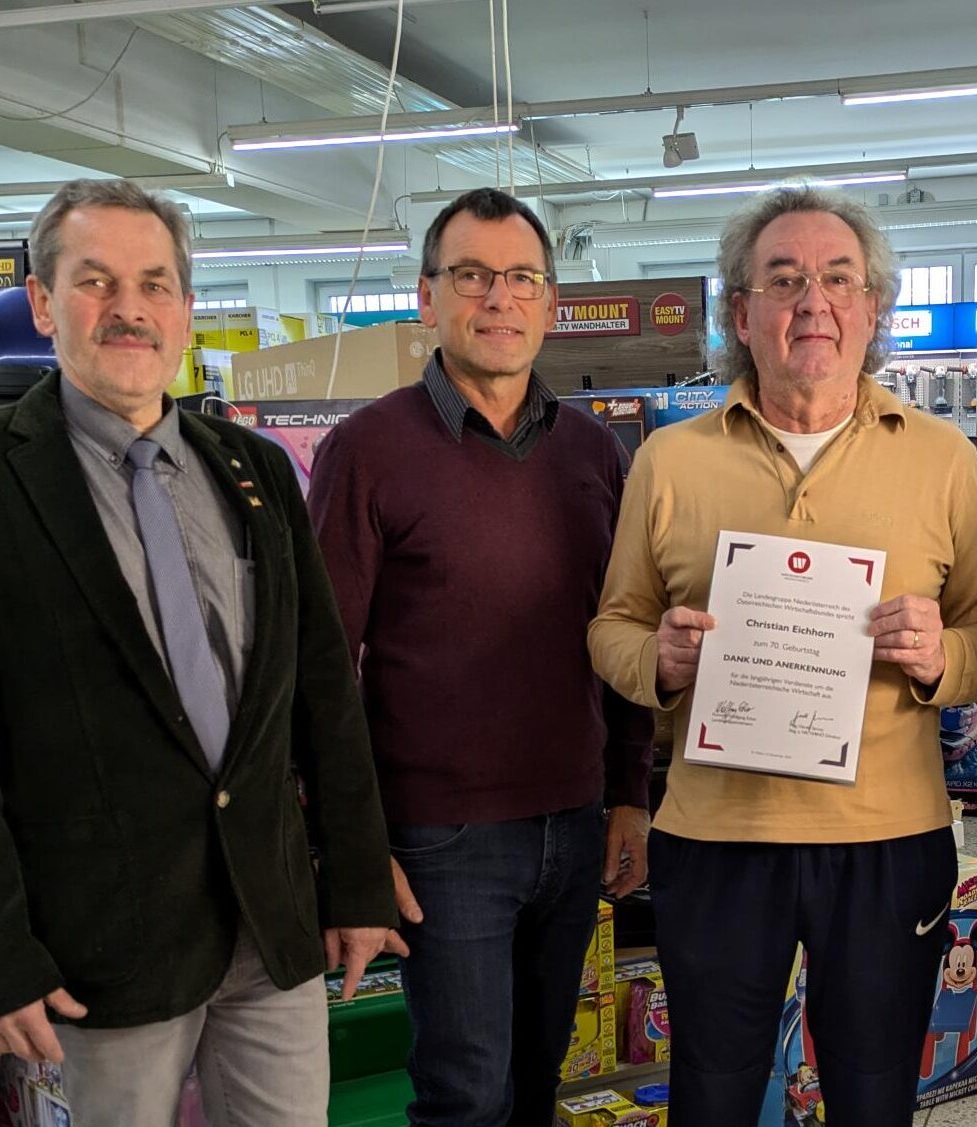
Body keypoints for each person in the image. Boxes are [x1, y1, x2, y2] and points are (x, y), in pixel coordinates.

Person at [0, 179, 399, 1127]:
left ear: (188, 311)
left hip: (269, 922)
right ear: (42, 303)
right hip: (100, 943)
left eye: (157, 284)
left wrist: (358, 882)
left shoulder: (254, 470)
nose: (130, 309)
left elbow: (323, 693)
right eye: (96, 281)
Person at [588, 187, 977, 1125]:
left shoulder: (941, 458)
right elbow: (611, 627)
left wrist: (937, 653)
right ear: (741, 314)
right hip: (717, 838)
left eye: (838, 279)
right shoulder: (670, 460)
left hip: (884, 838)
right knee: (712, 1091)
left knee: (873, 1096)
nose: (812, 301)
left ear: (874, 308)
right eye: (783, 279)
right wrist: (658, 660)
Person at [307, 187, 655, 1127]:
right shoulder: (366, 450)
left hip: (575, 819)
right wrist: (352, 846)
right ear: (428, 297)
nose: (497, 299)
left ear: (549, 304)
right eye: (471, 276)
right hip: (441, 837)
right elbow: (319, 667)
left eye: (521, 279)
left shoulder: (593, 450)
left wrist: (629, 792)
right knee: (465, 1094)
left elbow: (618, 630)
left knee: (539, 1082)